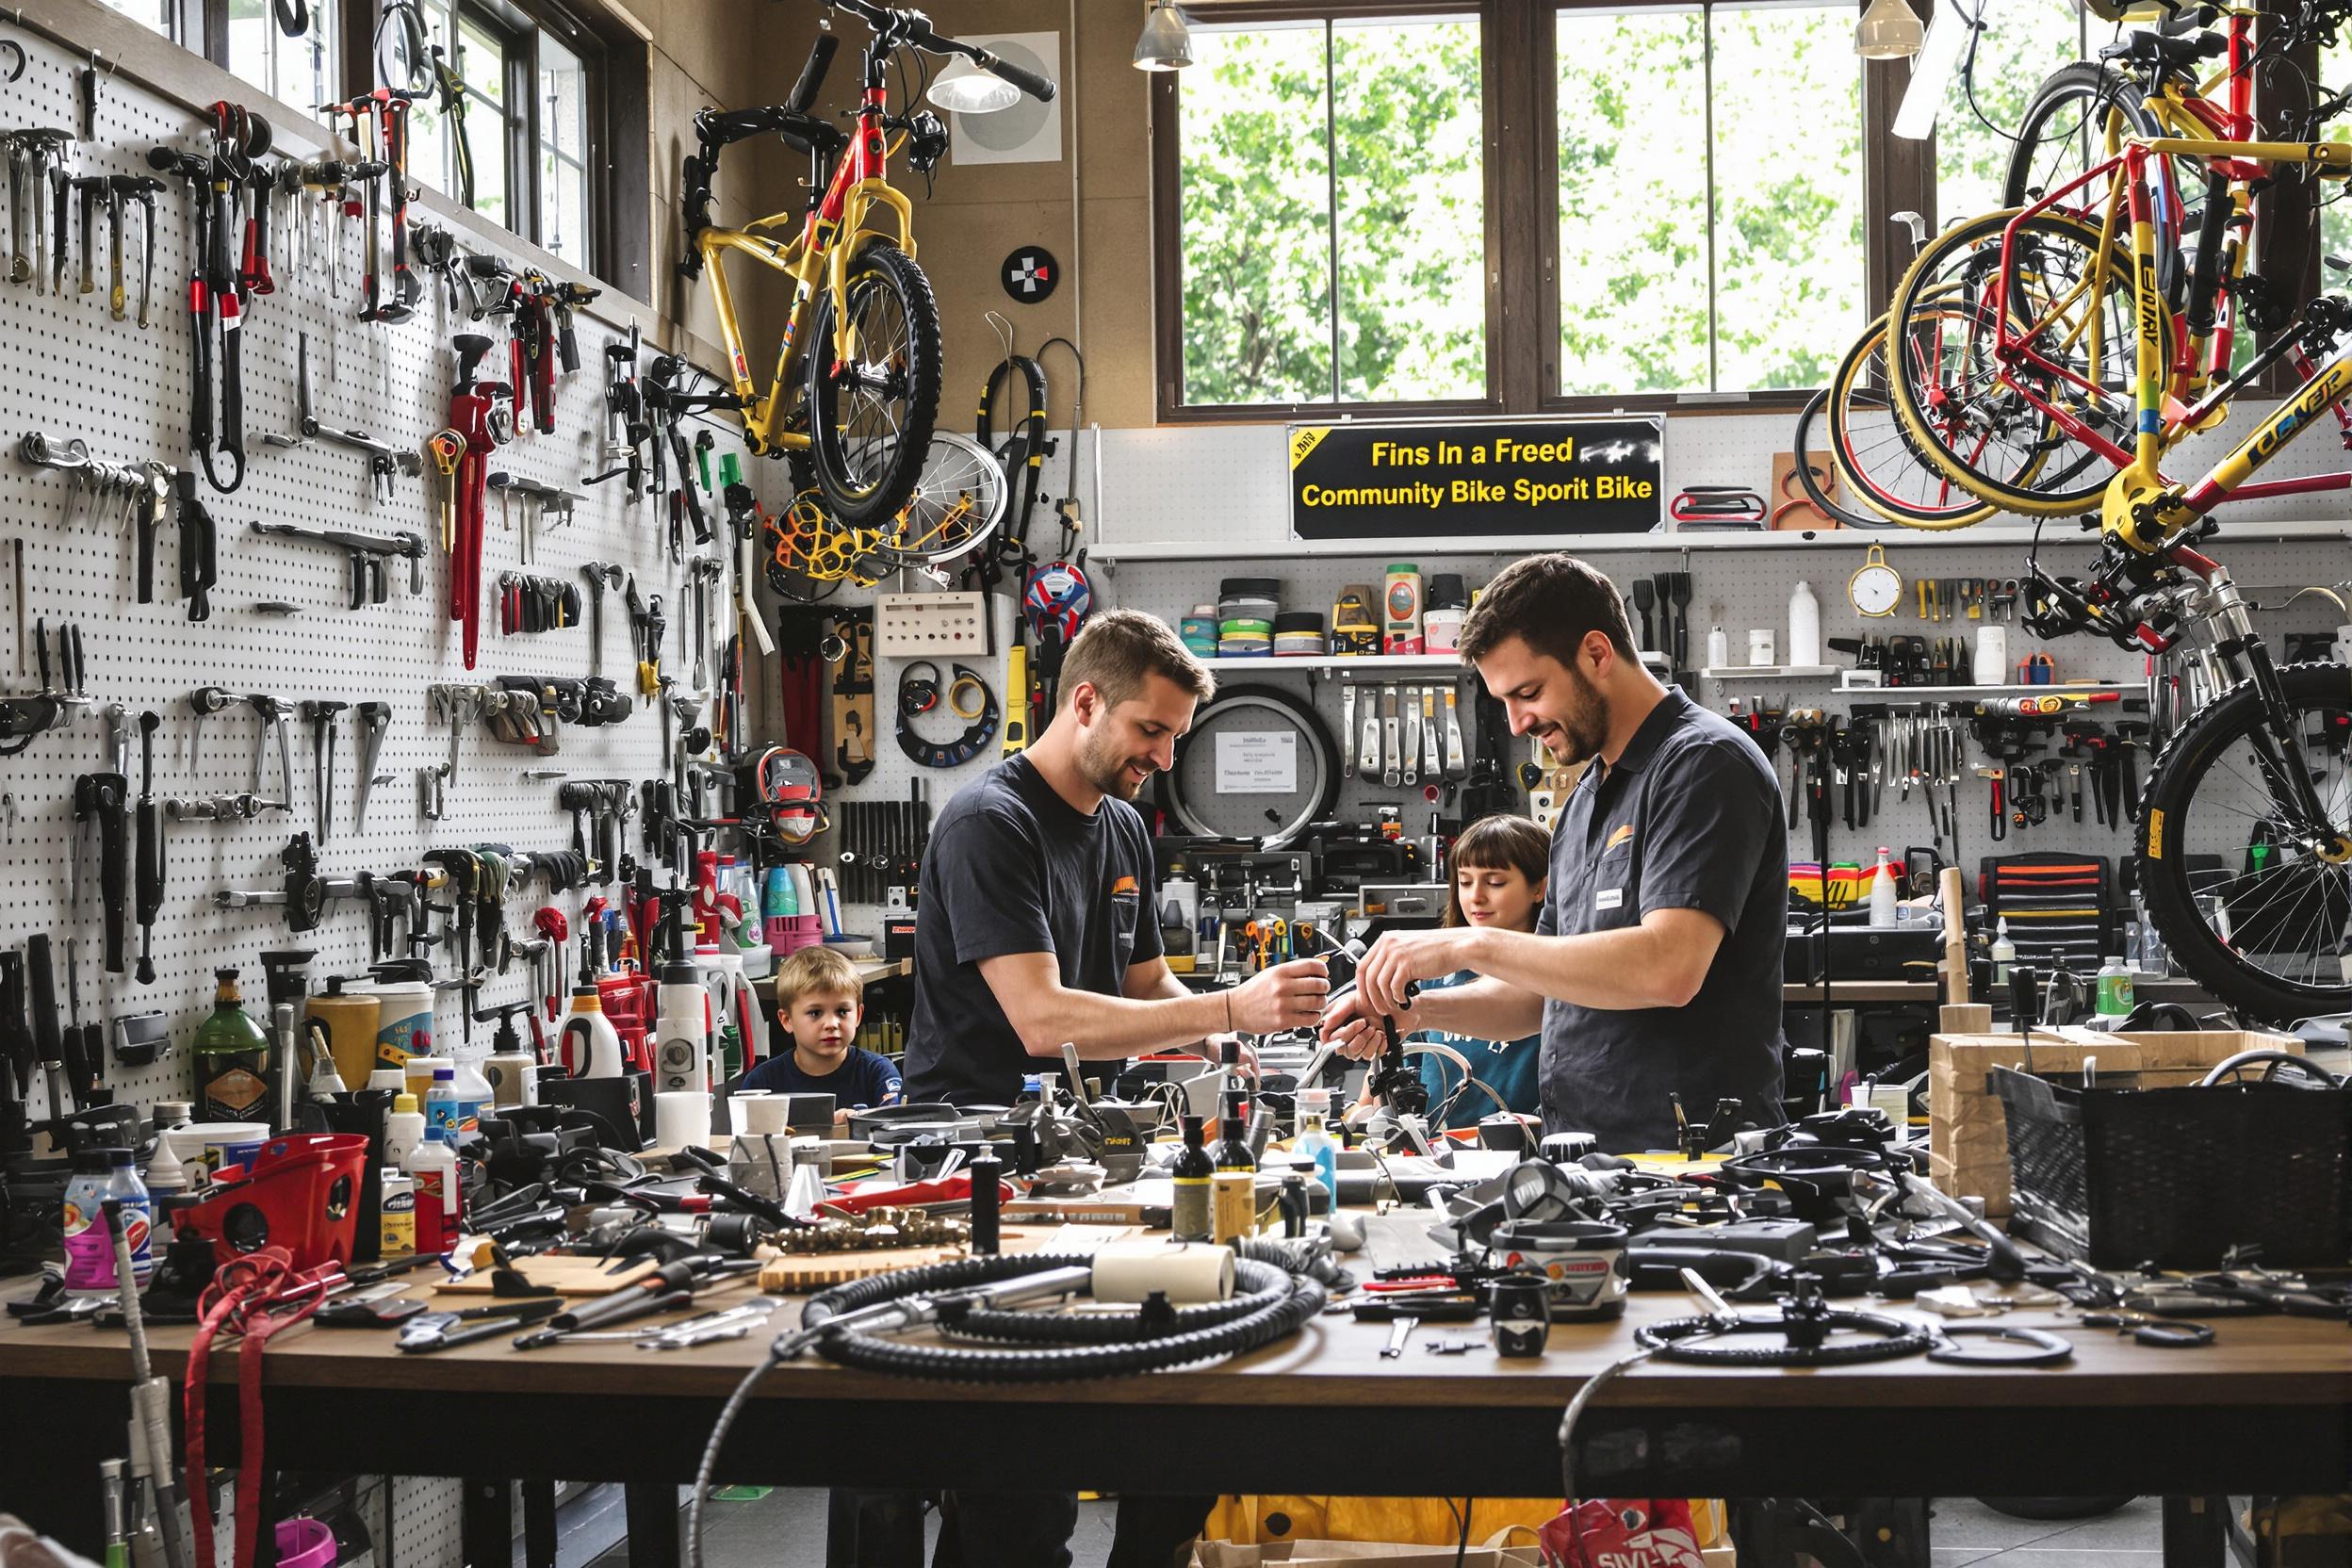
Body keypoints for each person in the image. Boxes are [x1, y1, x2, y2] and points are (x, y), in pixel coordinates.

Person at [905, 607, 1329, 1568]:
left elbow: (1145, 988)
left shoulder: (1124, 828)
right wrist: (1229, 1009)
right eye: (1151, 730)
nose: (1165, 757)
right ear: (1086, 700)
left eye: (1176, 736)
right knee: (1020, 1480)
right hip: (982, 1167)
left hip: (1089, 1160)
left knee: (1180, 1423)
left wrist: (1233, 1047)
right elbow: (1044, 1018)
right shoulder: (990, 822)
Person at [1323, 552, 1788, 1152]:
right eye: (1504, 703)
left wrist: (1467, 942)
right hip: (1589, 1151)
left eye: (1529, 692)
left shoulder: (1702, 764)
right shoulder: (1586, 799)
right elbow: (1538, 995)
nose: (1517, 724)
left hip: (1689, 1157)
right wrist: (1416, 1013)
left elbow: (1670, 967)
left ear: (1596, 654)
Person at [1349, 814, 1549, 1132]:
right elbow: (1377, 1095)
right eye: (1465, 881)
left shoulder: (1554, 976)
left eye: (1495, 882)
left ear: (1540, 887)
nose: (1476, 896)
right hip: (1434, 1155)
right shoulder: (1431, 976)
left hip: (1523, 1153)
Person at [735, 945, 900, 1124]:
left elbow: (894, 1129)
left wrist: (857, 1122)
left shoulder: (878, 1072)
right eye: (815, 1013)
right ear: (787, 1020)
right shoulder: (761, 1084)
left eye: (842, 1011)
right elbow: (746, 1143)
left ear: (858, 1015)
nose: (831, 1024)